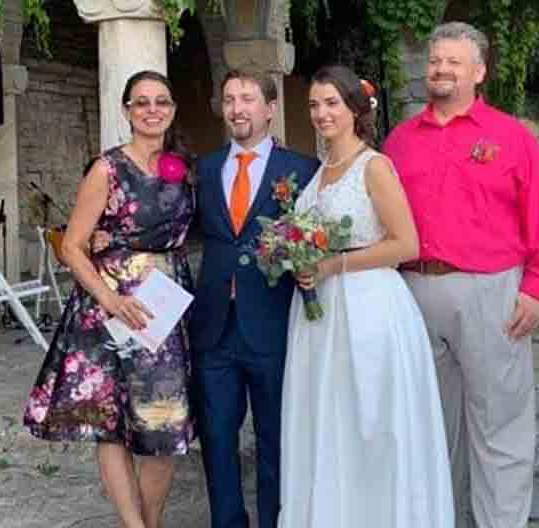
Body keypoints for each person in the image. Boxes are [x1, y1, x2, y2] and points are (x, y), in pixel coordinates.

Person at [382, 22, 539, 528]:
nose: (440, 69)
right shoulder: (399, 142)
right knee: (432, 426)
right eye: (435, 60)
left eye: (453, 62)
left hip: (490, 292)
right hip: (414, 292)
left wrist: (538, 286)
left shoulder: (511, 137)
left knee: (498, 423)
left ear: (478, 72)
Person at [277, 65, 454, 528]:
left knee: (371, 425)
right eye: (314, 105)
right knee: (329, 423)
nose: (321, 113)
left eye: (331, 103)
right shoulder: (318, 173)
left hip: (369, 310)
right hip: (320, 319)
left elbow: (406, 244)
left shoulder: (373, 167)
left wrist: (332, 265)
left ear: (355, 109)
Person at [23, 70, 195, 528]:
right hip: (109, 310)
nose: (152, 110)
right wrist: (111, 300)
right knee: (110, 423)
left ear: (173, 109)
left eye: (161, 101)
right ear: (127, 111)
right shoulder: (107, 169)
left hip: (163, 312)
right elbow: (71, 246)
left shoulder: (183, 165)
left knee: (163, 422)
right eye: (142, 102)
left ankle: (151, 522)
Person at [191, 69, 319, 528]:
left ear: (270, 108)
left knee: (275, 439)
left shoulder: (302, 169)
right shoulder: (205, 169)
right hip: (213, 328)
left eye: (247, 98)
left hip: (272, 324)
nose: (237, 108)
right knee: (217, 439)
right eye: (229, 99)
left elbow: (317, 238)